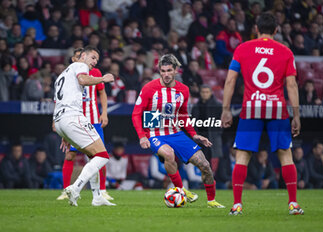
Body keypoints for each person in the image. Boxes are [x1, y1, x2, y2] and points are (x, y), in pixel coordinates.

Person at [221, 13, 304, 215]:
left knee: (243, 155)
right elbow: (291, 84)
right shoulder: (285, 52)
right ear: (276, 30)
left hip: (252, 107)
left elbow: (231, 80)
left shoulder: (242, 49)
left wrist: (225, 109)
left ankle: (237, 205)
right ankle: (293, 204)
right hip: (276, 108)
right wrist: (296, 115)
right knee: (285, 154)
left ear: (256, 29)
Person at [132, 54, 224, 208]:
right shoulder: (149, 88)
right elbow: (136, 114)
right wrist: (142, 136)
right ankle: (181, 190)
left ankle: (211, 201)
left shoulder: (183, 90)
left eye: (169, 70)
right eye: (163, 71)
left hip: (176, 133)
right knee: (169, 154)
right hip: (155, 134)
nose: (166, 74)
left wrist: (194, 135)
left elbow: (182, 116)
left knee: (205, 165)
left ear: (176, 70)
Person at [53, 46, 115, 207]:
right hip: (73, 117)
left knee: (94, 156)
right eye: (93, 58)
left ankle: (97, 197)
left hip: (61, 120)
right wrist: (103, 79)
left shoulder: (62, 75)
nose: (94, 62)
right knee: (102, 156)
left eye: (96, 60)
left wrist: (65, 134)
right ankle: (75, 188)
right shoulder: (81, 66)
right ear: (83, 56)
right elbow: (83, 80)